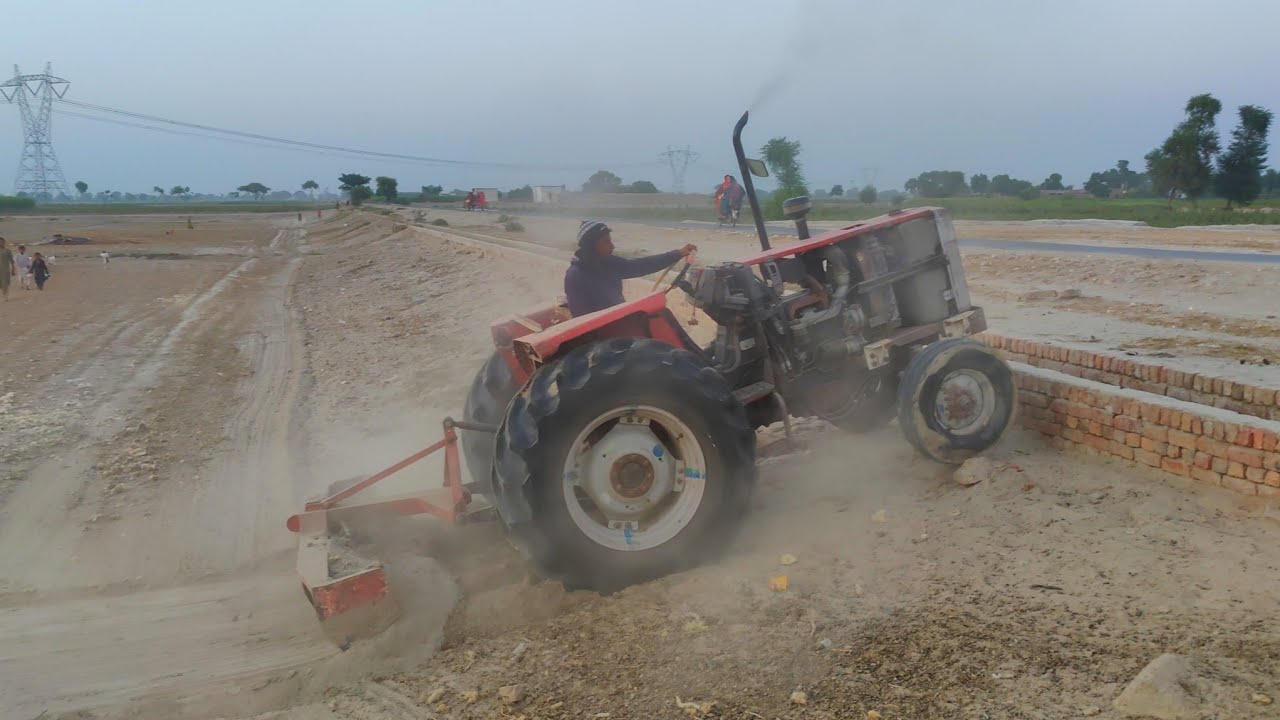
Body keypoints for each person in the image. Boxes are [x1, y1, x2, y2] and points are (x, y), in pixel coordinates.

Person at [563, 221, 696, 317]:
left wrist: (678, 254)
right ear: (591, 246)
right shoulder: (576, 276)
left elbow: (642, 265)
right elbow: (580, 318)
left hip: (620, 320)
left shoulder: (610, 264)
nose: (612, 246)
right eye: (606, 242)